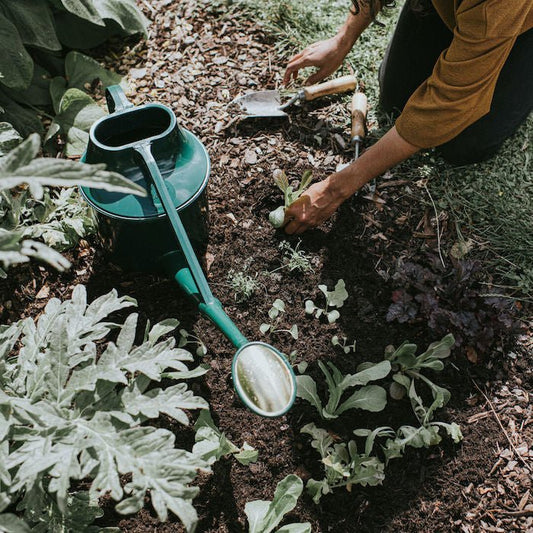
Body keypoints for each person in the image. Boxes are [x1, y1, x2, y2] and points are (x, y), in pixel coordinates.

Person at [281, 0, 533, 235]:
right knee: (398, 98)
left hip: (516, 21)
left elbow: (448, 103)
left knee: (464, 144)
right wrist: (343, 39)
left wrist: (336, 189)